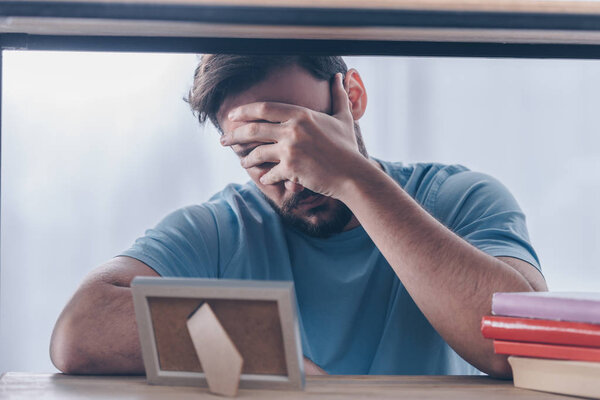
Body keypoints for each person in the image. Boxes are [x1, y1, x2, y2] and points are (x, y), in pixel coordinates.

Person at [50, 55, 547, 377]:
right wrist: (278, 360)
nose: (292, 178)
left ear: (351, 98)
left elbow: (521, 347)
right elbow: (80, 331)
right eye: (261, 157)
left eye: (303, 139)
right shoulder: (223, 228)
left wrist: (354, 179)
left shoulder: (460, 198)